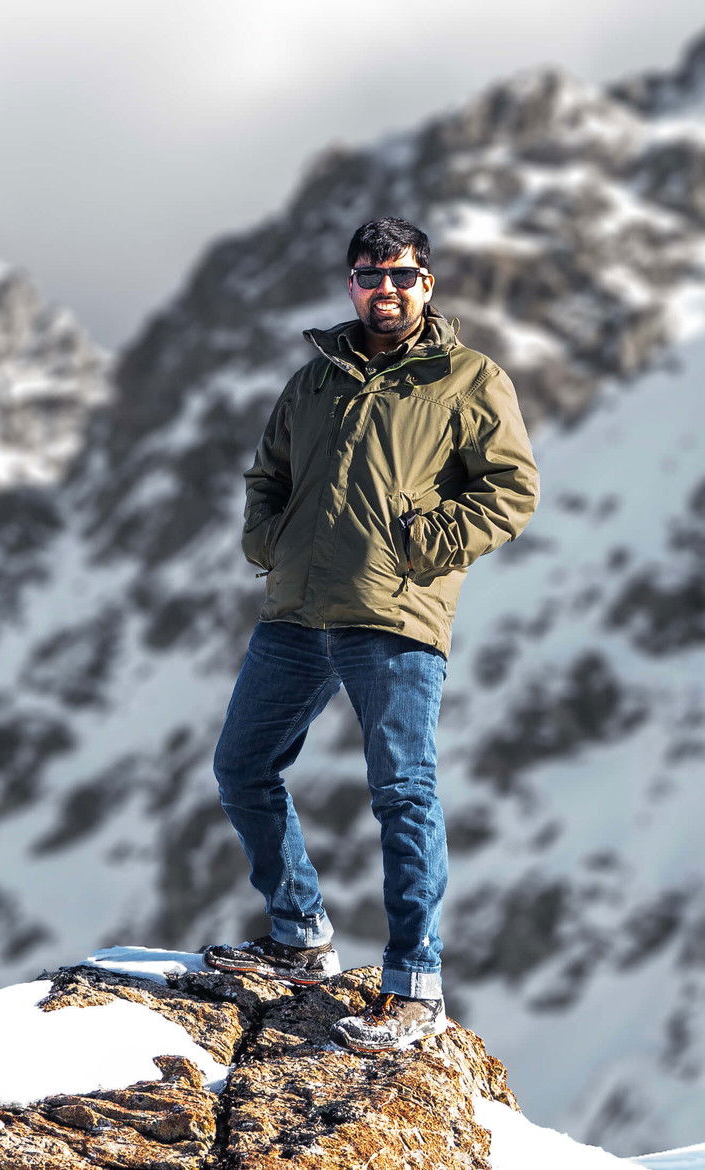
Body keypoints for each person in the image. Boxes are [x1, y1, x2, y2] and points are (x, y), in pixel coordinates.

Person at [203, 217, 539, 1053]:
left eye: (401, 274)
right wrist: (269, 541)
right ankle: (300, 936)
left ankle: (415, 984)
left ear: (427, 282)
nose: (384, 289)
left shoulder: (468, 378)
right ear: (351, 283)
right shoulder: (314, 378)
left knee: (402, 793)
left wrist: (421, 547)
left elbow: (510, 490)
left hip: (393, 615)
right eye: (369, 274)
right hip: (296, 614)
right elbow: (267, 475)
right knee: (243, 767)